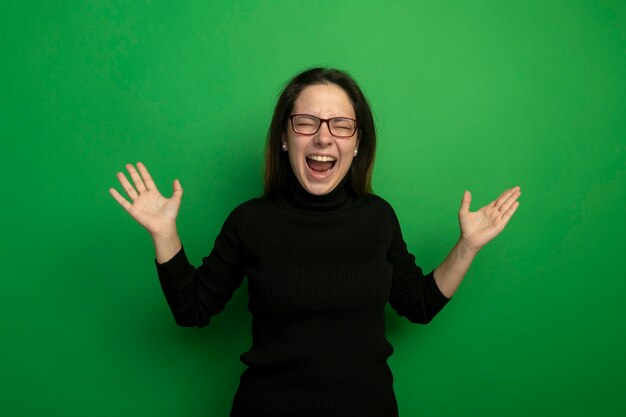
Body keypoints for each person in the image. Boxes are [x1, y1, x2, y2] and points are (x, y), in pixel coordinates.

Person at [109, 68, 521, 417]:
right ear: (285, 138)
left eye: (340, 125)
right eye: (307, 122)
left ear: (357, 142)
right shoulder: (250, 221)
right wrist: (165, 234)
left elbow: (419, 304)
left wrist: (467, 246)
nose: (323, 138)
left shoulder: (377, 218)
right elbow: (192, 309)